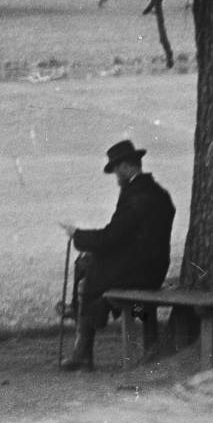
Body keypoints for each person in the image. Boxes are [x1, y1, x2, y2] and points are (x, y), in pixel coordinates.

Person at [58, 140, 175, 371]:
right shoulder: (157, 192)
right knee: (88, 264)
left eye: (116, 171)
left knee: (86, 266)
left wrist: (77, 235)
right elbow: (127, 236)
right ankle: (83, 315)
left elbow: (113, 237)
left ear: (125, 167)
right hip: (153, 266)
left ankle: (84, 328)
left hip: (140, 271)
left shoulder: (136, 197)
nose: (116, 178)